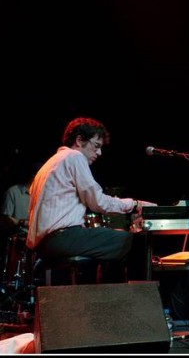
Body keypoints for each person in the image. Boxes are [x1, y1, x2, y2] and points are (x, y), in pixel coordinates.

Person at [27, 117, 157, 284]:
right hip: (62, 238)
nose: (99, 153)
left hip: (44, 245)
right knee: (136, 242)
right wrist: (134, 204)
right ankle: (133, 302)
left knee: (114, 240)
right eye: (96, 146)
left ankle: (107, 299)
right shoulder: (74, 157)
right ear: (79, 140)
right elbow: (98, 201)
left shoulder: (49, 164)